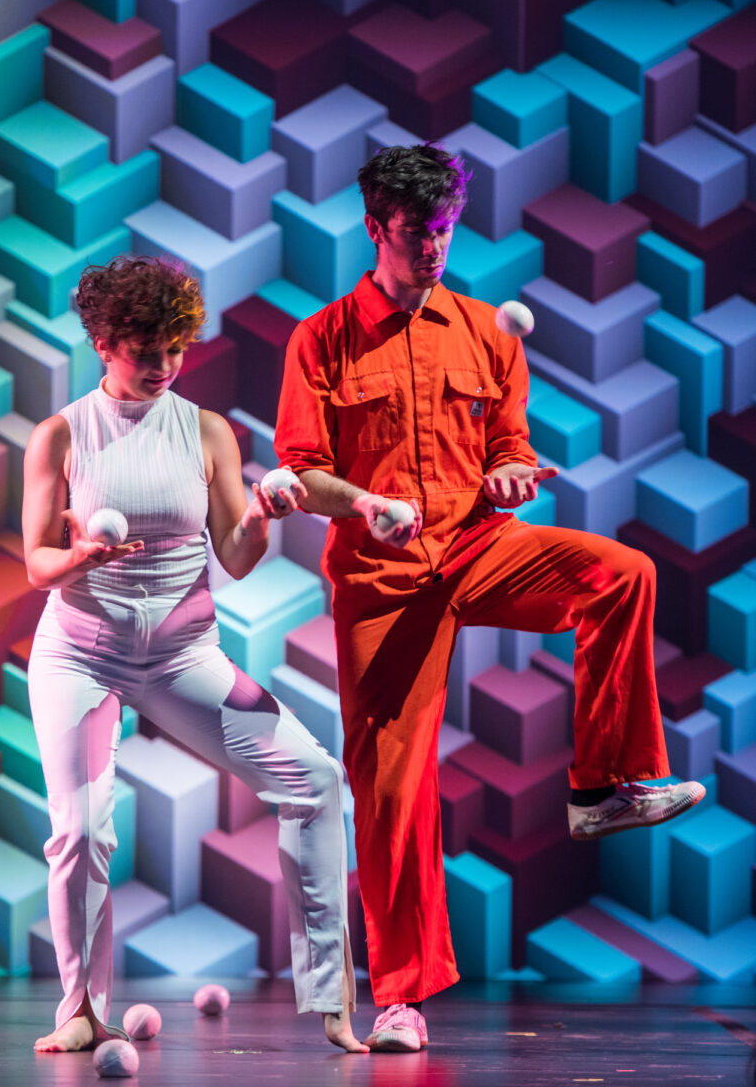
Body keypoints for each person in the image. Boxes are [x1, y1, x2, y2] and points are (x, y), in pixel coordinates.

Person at [273, 143, 705, 1053]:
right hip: (381, 582)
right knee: (393, 792)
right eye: (413, 233)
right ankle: (399, 998)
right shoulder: (321, 338)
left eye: (442, 231)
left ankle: (601, 785)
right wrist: (367, 507)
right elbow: (302, 473)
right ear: (373, 227)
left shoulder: (484, 330)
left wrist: (512, 473)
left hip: (478, 546)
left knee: (622, 571)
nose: (431, 248)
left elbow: (510, 445)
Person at [22, 255, 366, 1056]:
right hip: (80, 654)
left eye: (174, 348)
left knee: (314, 779)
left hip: (183, 655)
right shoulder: (62, 434)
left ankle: (331, 1001)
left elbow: (236, 558)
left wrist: (262, 516)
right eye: (146, 350)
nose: (164, 365)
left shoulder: (205, 429)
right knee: (82, 829)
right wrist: (79, 563)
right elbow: (35, 562)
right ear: (104, 343)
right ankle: (79, 1007)